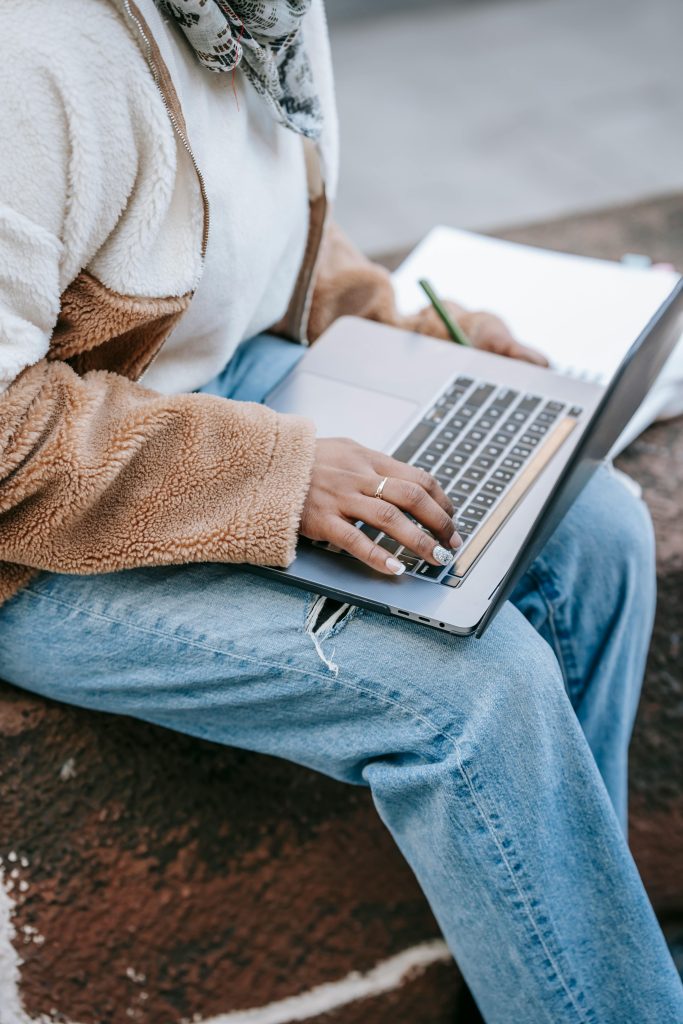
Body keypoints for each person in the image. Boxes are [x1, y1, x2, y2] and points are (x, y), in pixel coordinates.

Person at [0, 2, 681, 1021]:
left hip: (212, 394)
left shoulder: (263, 12)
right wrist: (276, 474)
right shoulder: (37, 52)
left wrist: (403, 336)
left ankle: (554, 965)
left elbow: (260, 225)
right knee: (471, 694)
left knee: (599, 537)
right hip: (40, 535)